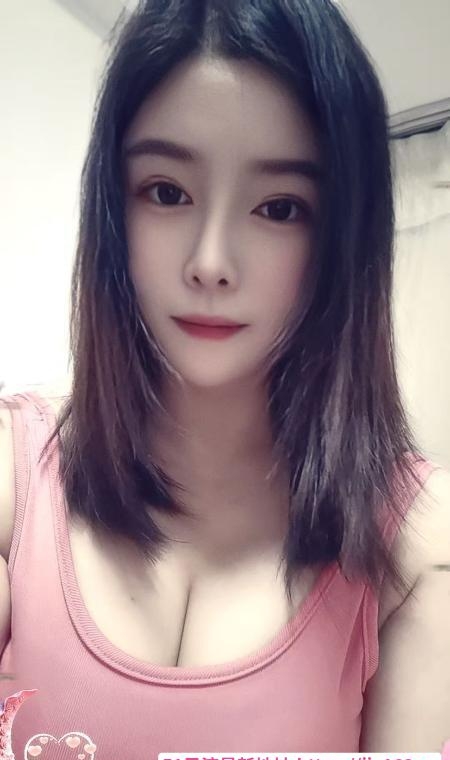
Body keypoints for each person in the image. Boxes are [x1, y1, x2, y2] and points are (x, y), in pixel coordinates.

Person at [0, 0, 449, 756]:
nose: (210, 262)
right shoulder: (17, 476)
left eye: (280, 208)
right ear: (113, 207)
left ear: (343, 240)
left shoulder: (416, 545)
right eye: (166, 192)